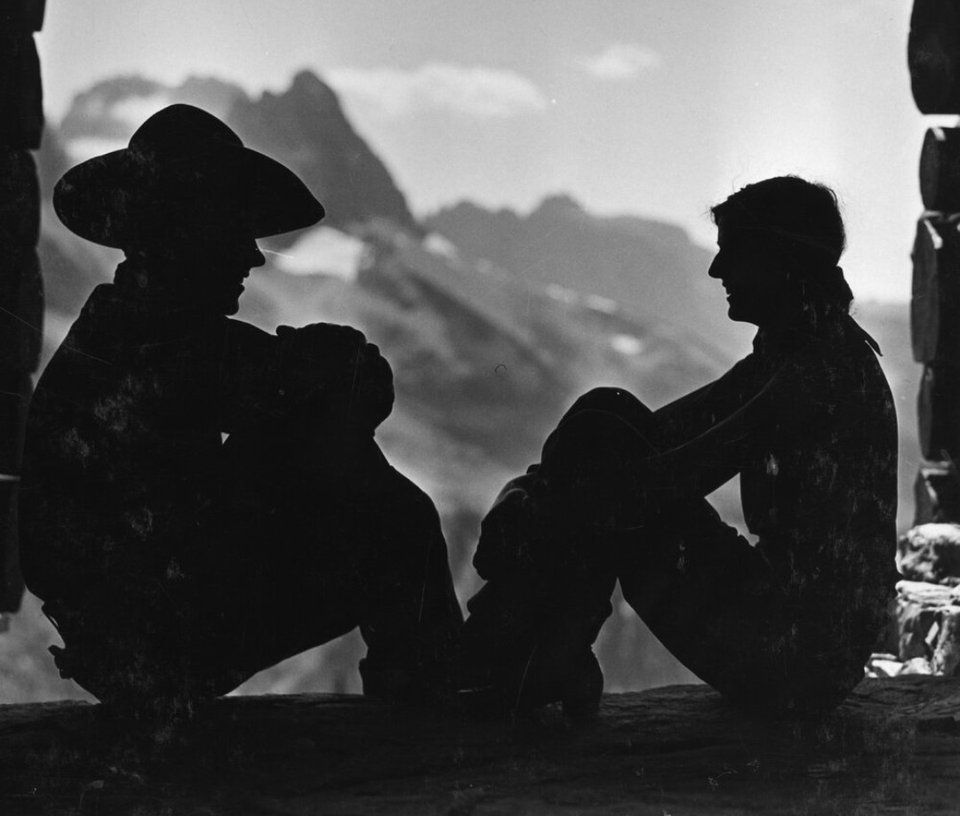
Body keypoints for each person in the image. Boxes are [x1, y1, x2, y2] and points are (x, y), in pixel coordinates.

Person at [19, 104, 462, 715]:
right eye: (235, 230)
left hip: (133, 644)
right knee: (385, 509)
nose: (253, 256)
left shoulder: (125, 329)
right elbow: (350, 386)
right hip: (160, 649)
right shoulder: (174, 345)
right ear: (187, 234)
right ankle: (430, 690)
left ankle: (425, 681)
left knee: (323, 439)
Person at [461, 176, 899, 720]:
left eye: (732, 253)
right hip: (794, 642)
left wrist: (532, 507)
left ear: (779, 260)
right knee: (606, 413)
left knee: (612, 467)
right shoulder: (797, 350)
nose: (717, 271)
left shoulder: (817, 372)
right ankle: (540, 656)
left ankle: (518, 654)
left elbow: (668, 482)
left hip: (797, 660)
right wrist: (532, 487)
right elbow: (646, 434)